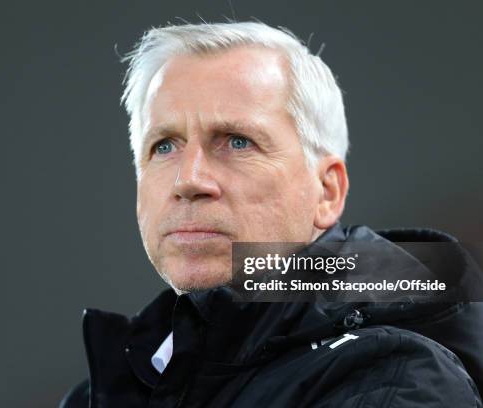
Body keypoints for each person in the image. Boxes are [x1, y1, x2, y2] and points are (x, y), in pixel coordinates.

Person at [61, 21, 483, 407]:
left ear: (327, 191)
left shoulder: (394, 382)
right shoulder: (98, 396)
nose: (187, 180)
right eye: (165, 146)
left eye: (237, 141)